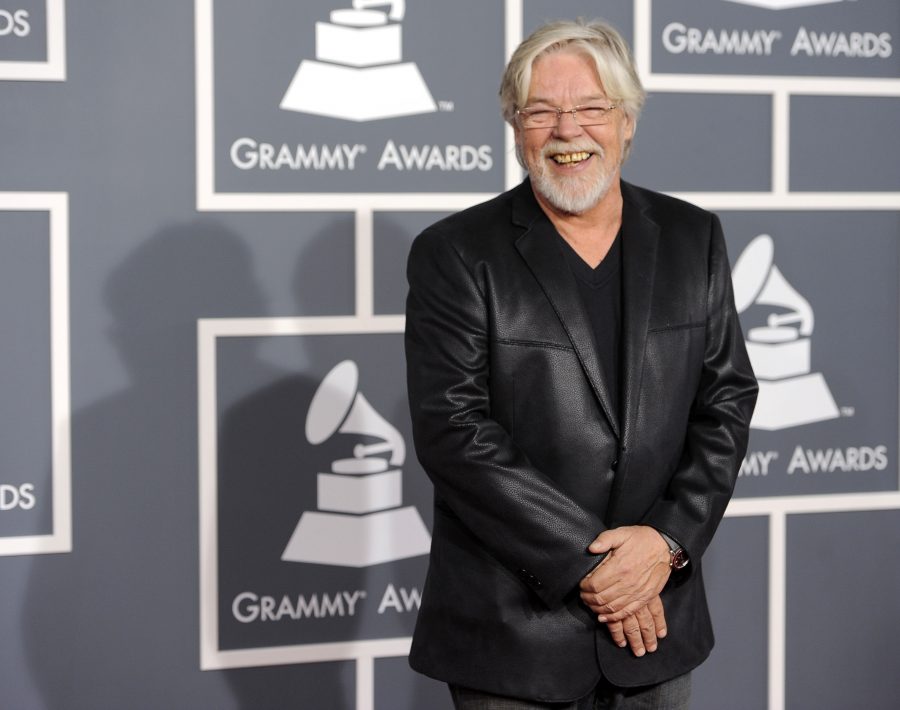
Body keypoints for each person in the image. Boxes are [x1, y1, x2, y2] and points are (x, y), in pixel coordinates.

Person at [404, 18, 757, 710]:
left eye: (592, 108)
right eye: (542, 111)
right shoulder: (455, 253)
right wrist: (600, 569)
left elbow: (726, 402)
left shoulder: (695, 238)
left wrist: (665, 543)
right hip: (513, 638)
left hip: (656, 630)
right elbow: (454, 431)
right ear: (515, 128)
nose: (568, 131)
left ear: (627, 123)